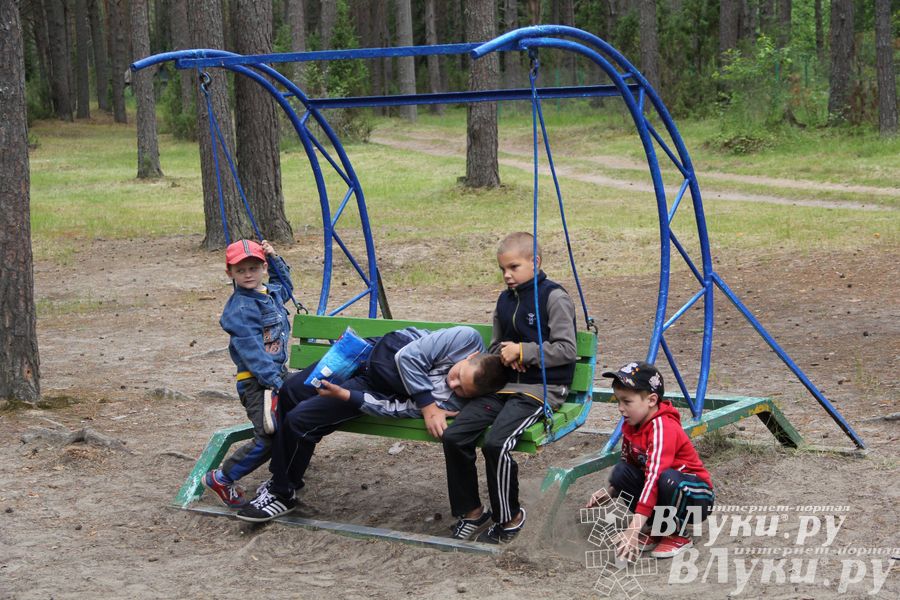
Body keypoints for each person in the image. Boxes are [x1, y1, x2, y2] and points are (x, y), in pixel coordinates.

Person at [235, 325, 507, 522]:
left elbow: (397, 408)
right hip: (362, 353)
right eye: (459, 374)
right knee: (292, 390)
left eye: (462, 390)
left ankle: (282, 493)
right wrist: (428, 404)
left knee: (301, 421)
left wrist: (347, 396)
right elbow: (407, 357)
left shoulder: (452, 403)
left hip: (371, 387)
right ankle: (283, 475)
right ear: (470, 357)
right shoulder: (465, 338)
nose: (453, 383)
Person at [442, 232, 578, 543]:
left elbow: (567, 350)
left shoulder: (553, 297)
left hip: (540, 390)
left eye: (514, 267)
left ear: (535, 262)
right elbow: (494, 345)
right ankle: (472, 511)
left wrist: (525, 352)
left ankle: (510, 518)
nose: (507, 275)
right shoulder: (504, 300)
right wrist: (504, 353)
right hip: (504, 388)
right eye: (503, 269)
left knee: (496, 444)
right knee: (455, 435)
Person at [586, 361, 714, 560]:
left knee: (667, 478)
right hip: (664, 487)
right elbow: (630, 464)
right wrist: (611, 492)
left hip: (695, 497)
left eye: (627, 402)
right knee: (621, 472)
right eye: (618, 401)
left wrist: (632, 530)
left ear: (652, 400)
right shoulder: (632, 425)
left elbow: (654, 478)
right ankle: (658, 528)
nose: (620, 408)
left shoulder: (663, 428)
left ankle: (677, 533)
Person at [203, 239, 294, 508]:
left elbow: (286, 287)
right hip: (256, 383)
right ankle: (223, 478)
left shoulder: (270, 292)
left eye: (254, 268)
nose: (248, 275)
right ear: (229, 273)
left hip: (277, 375)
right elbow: (253, 354)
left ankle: (284, 474)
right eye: (240, 270)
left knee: (301, 417)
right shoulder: (240, 310)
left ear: (263, 268)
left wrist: (275, 258)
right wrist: (277, 384)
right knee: (267, 436)